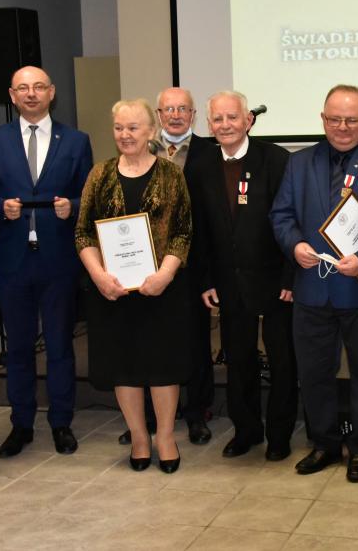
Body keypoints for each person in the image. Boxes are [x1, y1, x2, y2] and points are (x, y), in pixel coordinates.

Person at [270, 84, 358, 483]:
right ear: (322, 119)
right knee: (314, 373)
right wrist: (294, 245)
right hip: (312, 288)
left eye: (352, 120)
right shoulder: (299, 163)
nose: (342, 127)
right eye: (334, 119)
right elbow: (281, 215)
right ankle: (325, 443)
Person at [0, 66, 93, 458]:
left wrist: (72, 206)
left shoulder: (76, 140)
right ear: (12, 95)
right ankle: (21, 423)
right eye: (23, 88)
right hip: (11, 260)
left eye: (39, 87)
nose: (31, 94)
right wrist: (0, 207)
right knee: (19, 348)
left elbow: (90, 195)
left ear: (51, 92)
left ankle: (61, 422)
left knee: (60, 346)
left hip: (58, 258)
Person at [75, 99, 193, 473]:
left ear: (151, 131)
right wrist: (99, 275)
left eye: (133, 127)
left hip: (160, 290)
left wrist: (165, 275)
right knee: (123, 365)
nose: (125, 135)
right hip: (112, 291)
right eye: (118, 128)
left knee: (161, 365)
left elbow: (183, 231)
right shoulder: (99, 174)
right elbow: (82, 232)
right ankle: (140, 437)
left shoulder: (171, 174)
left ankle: (165, 437)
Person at [189, 91, 297, 461]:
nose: (225, 125)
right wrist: (205, 279)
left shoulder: (277, 160)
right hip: (227, 282)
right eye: (217, 119)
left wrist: (291, 276)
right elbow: (199, 230)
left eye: (232, 117)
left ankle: (280, 434)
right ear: (209, 125)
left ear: (248, 120)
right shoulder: (200, 166)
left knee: (283, 362)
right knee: (238, 361)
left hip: (276, 280)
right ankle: (246, 430)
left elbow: (293, 220)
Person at [154, 87, 214, 446]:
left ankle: (197, 413)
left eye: (183, 109)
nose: (175, 115)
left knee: (195, 342)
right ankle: (154, 416)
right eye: (169, 109)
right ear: (159, 115)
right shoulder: (143, 148)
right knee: (152, 341)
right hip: (149, 264)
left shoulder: (211, 152)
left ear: (193, 116)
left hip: (194, 264)